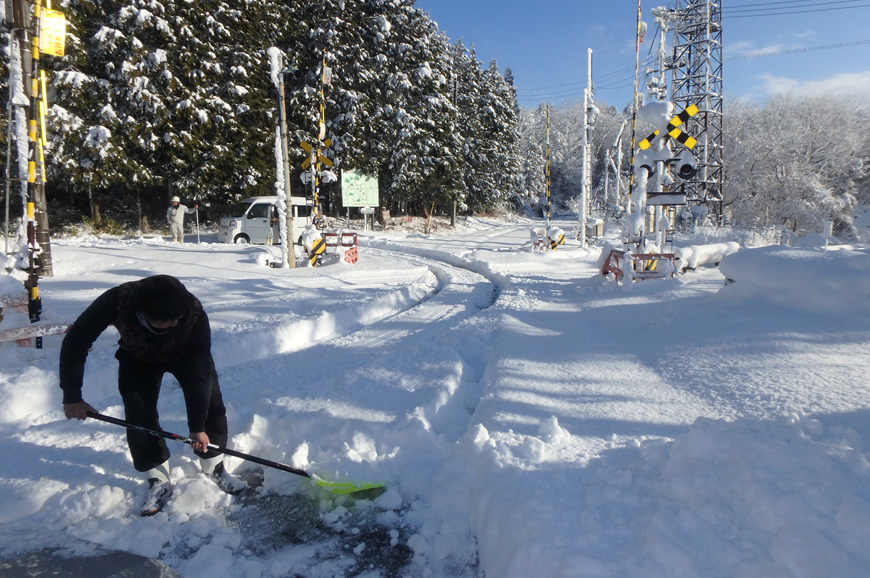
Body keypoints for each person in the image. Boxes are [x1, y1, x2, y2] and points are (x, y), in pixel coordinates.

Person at [59, 274, 246, 516]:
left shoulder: (194, 314)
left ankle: (214, 466)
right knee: (139, 414)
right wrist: (72, 396)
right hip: (137, 357)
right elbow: (76, 341)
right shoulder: (117, 301)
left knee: (210, 402)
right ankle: (157, 478)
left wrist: (197, 426)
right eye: (166, 324)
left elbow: (200, 375)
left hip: (186, 358)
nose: (174, 326)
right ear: (142, 314)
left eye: (177, 320)